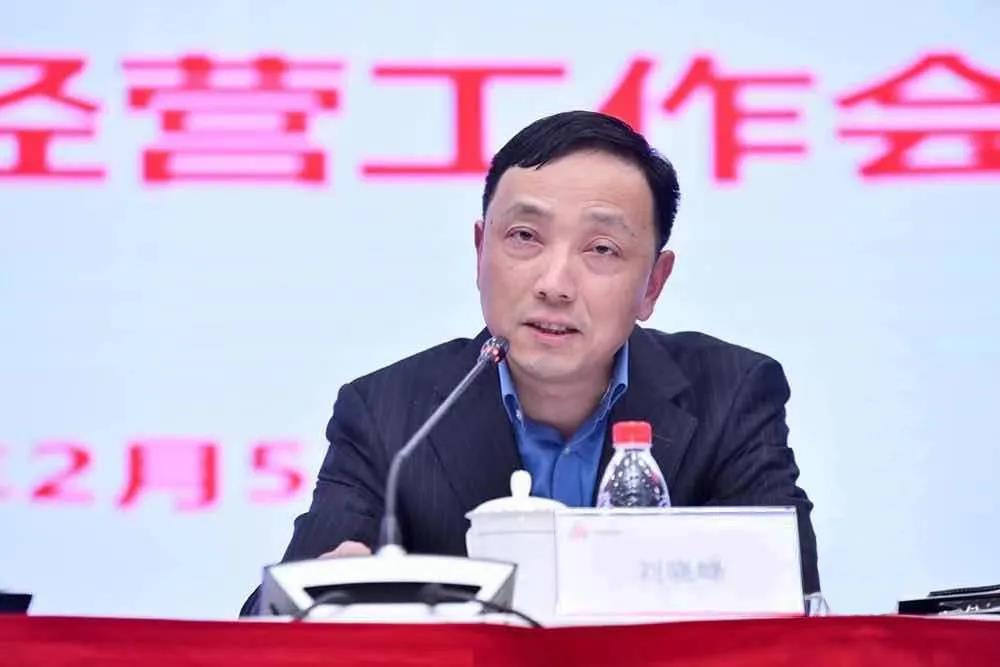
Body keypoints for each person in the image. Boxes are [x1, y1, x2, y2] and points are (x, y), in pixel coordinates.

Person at [241, 110, 818, 614]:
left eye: (602, 249)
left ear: (653, 285)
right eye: (524, 236)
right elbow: (271, 622)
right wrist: (320, 594)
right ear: (480, 251)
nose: (554, 284)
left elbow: (794, 604)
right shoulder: (389, 415)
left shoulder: (731, 394)